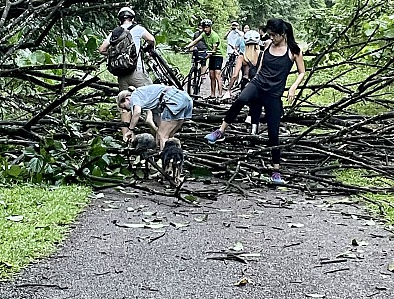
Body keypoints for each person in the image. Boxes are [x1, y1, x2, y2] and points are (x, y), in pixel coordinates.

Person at [204, 18, 305, 185]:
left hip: (274, 94)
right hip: (258, 84)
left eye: (273, 35)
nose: (271, 38)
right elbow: (260, 66)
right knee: (241, 99)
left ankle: (276, 171)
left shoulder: (293, 51)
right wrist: (252, 80)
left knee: (273, 133)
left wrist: (293, 87)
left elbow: (301, 72)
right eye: (269, 35)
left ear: (282, 34)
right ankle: (220, 131)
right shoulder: (267, 46)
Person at [117, 84, 193, 150]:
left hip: (174, 100)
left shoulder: (134, 96)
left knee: (162, 135)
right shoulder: (149, 100)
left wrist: (130, 129)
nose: (127, 110)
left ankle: (164, 161)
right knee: (169, 136)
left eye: (124, 107)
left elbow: (137, 112)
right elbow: (158, 121)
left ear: (127, 99)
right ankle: (174, 157)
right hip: (185, 99)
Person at [99, 7, 155, 89]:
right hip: (136, 70)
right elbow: (151, 39)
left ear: (120, 19)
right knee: (150, 94)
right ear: (132, 18)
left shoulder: (115, 33)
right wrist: (151, 49)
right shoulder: (138, 28)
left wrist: (115, 53)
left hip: (121, 73)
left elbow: (102, 49)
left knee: (125, 100)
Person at [185, 19, 224, 99]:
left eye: (206, 27)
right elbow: (196, 40)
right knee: (211, 76)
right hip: (211, 56)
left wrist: (205, 58)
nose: (205, 29)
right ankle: (212, 94)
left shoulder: (214, 36)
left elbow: (213, 50)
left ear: (210, 27)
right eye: (204, 27)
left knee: (217, 75)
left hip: (217, 55)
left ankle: (220, 95)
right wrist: (188, 46)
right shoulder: (204, 34)